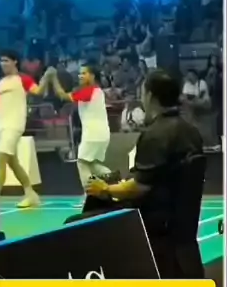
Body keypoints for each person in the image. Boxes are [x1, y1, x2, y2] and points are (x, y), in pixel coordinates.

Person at [71, 70, 205, 276]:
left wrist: (105, 188)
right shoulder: (192, 132)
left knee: (75, 224)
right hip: (178, 221)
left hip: (152, 220)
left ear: (150, 96)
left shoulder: (155, 134)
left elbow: (138, 187)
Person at [0, 50, 49, 209]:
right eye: (1, 61)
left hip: (15, 125)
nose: (3, 64)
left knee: (0, 159)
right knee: (13, 163)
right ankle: (31, 194)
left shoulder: (23, 79)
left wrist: (47, 77)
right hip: (1, 126)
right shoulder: (0, 83)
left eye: (6, 60)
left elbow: (38, 91)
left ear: (15, 61)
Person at [48, 63, 111, 190]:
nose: (80, 76)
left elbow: (62, 95)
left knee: (82, 163)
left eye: (84, 73)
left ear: (92, 76)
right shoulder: (97, 90)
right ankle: (114, 179)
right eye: (80, 73)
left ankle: (90, 192)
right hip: (101, 134)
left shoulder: (90, 90)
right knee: (91, 164)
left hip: (93, 134)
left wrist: (53, 78)